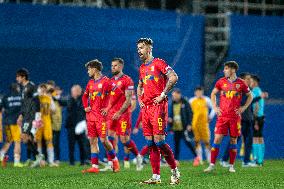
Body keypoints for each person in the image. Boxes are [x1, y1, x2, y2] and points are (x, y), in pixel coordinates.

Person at [136, 38, 180, 185]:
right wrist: (139, 99)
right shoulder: (142, 68)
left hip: (158, 107)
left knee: (159, 142)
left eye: (141, 48)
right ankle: (156, 176)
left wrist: (163, 94)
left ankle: (174, 170)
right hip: (147, 108)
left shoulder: (159, 63)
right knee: (150, 144)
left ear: (149, 48)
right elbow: (140, 85)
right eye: (138, 48)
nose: (139, 51)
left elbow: (173, 77)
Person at [204, 61, 253, 173]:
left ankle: (231, 166)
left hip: (235, 117)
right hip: (222, 116)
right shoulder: (221, 82)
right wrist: (215, 107)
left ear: (233, 70)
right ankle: (211, 165)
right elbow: (213, 93)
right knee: (216, 139)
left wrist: (243, 108)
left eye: (226, 68)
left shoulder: (241, 83)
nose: (224, 70)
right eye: (225, 68)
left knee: (233, 140)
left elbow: (250, 96)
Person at [101, 58, 143, 171]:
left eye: (115, 65)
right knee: (109, 139)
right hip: (111, 115)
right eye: (112, 65)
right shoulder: (110, 81)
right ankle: (111, 163)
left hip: (123, 115)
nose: (112, 67)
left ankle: (138, 156)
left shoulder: (127, 80)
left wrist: (119, 112)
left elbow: (129, 100)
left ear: (120, 67)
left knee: (124, 140)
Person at [82, 59, 120, 173]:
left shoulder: (106, 81)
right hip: (90, 117)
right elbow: (84, 97)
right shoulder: (90, 83)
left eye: (89, 69)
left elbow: (118, 93)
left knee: (104, 140)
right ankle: (95, 167)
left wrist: (108, 108)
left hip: (101, 117)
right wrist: (85, 106)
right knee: (92, 141)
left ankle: (115, 161)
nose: (88, 71)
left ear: (95, 69)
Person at [16, 68, 44, 168]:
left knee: (24, 136)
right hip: (26, 115)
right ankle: (37, 159)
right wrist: (20, 115)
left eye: (18, 76)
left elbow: (37, 101)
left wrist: (37, 115)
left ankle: (38, 156)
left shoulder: (31, 86)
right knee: (28, 138)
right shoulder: (23, 88)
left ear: (23, 77)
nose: (17, 79)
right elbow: (24, 104)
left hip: (32, 115)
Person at [168, 88, 199, 166]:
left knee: (188, 143)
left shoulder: (185, 102)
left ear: (179, 94)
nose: (173, 97)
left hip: (184, 127)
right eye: (173, 96)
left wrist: (189, 124)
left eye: (175, 95)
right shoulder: (173, 103)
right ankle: (176, 160)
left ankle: (196, 157)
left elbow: (190, 113)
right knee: (176, 144)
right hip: (176, 127)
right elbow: (172, 113)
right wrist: (170, 119)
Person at [189, 86, 215, 165]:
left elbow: (214, 108)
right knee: (196, 142)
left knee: (207, 142)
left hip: (204, 124)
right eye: (197, 92)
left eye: (200, 92)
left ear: (202, 92)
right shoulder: (191, 101)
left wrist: (210, 116)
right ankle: (199, 159)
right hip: (195, 124)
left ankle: (209, 159)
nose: (199, 93)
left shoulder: (206, 99)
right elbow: (188, 112)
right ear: (195, 93)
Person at [0, 83, 23, 167]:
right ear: (17, 88)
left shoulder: (5, 97)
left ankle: (1, 156)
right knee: (17, 142)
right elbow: (23, 109)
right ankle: (16, 162)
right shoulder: (21, 97)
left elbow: (1, 109)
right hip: (16, 123)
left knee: (8, 141)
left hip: (6, 123)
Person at [65, 85, 88, 166]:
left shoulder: (84, 99)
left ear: (79, 91)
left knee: (82, 144)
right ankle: (71, 162)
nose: (72, 93)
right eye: (72, 91)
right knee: (71, 145)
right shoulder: (69, 99)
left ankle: (83, 161)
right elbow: (63, 103)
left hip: (80, 126)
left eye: (74, 91)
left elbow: (86, 112)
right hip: (70, 126)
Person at [36, 84, 57, 167]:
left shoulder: (49, 98)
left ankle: (51, 161)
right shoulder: (36, 98)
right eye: (41, 89)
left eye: (44, 89)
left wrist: (48, 112)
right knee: (38, 141)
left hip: (46, 121)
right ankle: (39, 161)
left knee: (49, 140)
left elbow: (54, 110)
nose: (43, 91)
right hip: (38, 121)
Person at [251, 74, 266, 166]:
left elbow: (256, 106)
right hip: (261, 117)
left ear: (255, 82)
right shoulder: (260, 91)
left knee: (255, 138)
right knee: (260, 138)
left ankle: (257, 159)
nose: (250, 83)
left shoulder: (255, 91)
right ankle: (260, 160)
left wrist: (255, 121)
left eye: (251, 81)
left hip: (256, 118)